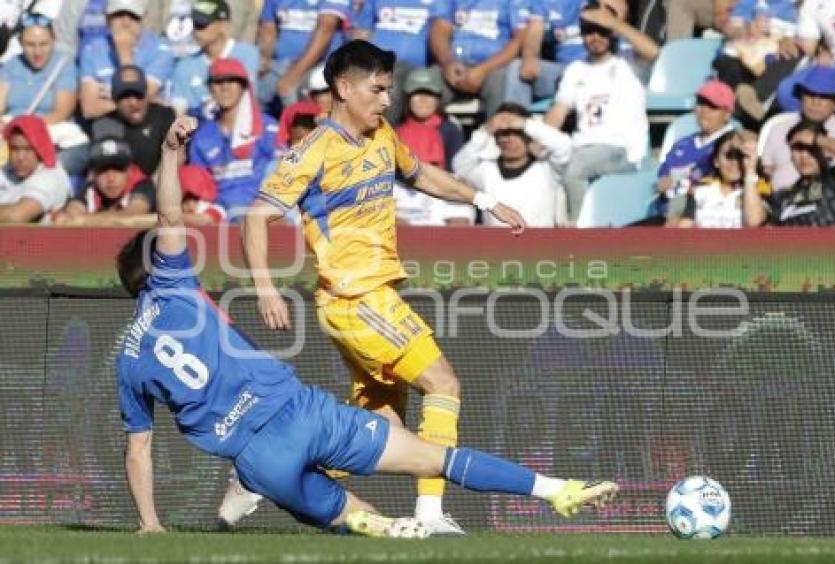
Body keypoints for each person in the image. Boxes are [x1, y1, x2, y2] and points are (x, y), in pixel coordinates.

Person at [116, 115, 617, 536]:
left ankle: (362, 518)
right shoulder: (176, 284)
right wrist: (169, 153)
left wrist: (151, 525)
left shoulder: (128, 361)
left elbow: (138, 451)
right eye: (377, 88)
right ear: (157, 263)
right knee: (437, 427)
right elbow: (169, 215)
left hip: (257, 460)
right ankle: (543, 492)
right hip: (304, 410)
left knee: (366, 521)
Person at [241, 40, 526, 534]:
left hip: (375, 297)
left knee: (382, 432)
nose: (385, 100)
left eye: (388, 89)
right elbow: (256, 218)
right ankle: (431, 513)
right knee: (443, 384)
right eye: (377, 89)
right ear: (343, 87)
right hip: (357, 300)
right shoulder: (312, 152)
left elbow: (420, 175)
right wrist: (266, 288)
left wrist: (484, 199)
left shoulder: (380, 135)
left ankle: (263, 473)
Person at [543, 1, 649, 222]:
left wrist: (614, 22)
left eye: (602, 31)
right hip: (581, 148)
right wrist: (535, 144)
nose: (595, 37)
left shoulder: (630, 62)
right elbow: (558, 112)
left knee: (575, 168)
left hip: (622, 150)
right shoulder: (575, 70)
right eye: (588, 31)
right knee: (541, 168)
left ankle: (581, 230)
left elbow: (654, 52)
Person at [505, 0, 659, 108]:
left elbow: (620, 13)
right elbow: (534, 30)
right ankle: (513, 129)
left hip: (610, 68)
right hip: (567, 71)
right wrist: (530, 56)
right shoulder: (552, 3)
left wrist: (605, 14)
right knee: (516, 69)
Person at [452, 102, 571, 227]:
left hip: (538, 243)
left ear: (529, 136)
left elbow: (564, 146)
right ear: (496, 138)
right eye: (504, 133)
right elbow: (460, 164)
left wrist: (525, 124)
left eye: (517, 132)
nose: (509, 139)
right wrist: (485, 131)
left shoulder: (548, 170)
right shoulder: (486, 171)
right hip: (496, 244)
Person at [0, 11, 87, 178]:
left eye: (44, 44)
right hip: (12, 134)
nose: (37, 51)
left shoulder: (64, 66)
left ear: (53, 41)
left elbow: (62, 112)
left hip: (47, 132)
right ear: (20, 44)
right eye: (30, 45)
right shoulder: (10, 66)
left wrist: (24, 130)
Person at [188, 58, 277, 217]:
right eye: (218, 82)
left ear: (243, 86)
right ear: (209, 88)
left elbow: (283, 172)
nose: (225, 88)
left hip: (264, 209)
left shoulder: (268, 127)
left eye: (231, 81)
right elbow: (201, 184)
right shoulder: (202, 136)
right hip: (220, 212)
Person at [394, 66, 472, 226]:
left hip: (438, 185)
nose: (423, 99)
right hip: (402, 185)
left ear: (438, 99)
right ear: (407, 98)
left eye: (429, 94)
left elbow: (455, 172)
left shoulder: (450, 129)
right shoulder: (394, 130)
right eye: (417, 94)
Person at [429, 0, 529, 118]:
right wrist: (448, 63)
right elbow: (439, 31)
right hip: (455, 63)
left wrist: (482, 70)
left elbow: (520, 40)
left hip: (494, 66)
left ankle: (496, 133)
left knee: (502, 82)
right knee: (426, 85)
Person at [78, 0, 175, 121]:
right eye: (118, 15)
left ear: (143, 19)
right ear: (107, 19)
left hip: (147, 125)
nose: (125, 23)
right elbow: (90, 109)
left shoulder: (161, 51)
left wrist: (124, 56)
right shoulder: (92, 50)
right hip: (105, 125)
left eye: (133, 16)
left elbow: (137, 104)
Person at [350, 0, 443, 124]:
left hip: (420, 68)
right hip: (378, 64)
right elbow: (361, 32)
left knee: (391, 86)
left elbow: (442, 33)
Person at [760, 66, 835, 193]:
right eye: (810, 94)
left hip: (829, 206)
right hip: (781, 205)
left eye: (824, 97)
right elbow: (764, 174)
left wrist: (818, 140)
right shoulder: (778, 129)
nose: (816, 102)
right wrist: (764, 196)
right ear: (801, 97)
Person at [746, 120, 835, 226]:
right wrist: (750, 169)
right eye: (798, 148)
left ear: (824, 151)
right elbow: (755, 223)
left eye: (811, 148)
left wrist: (817, 139)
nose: (804, 155)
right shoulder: (784, 196)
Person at [656, 80, 736, 217]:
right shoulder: (682, 144)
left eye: (712, 106)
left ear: (727, 113)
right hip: (666, 213)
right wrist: (663, 182)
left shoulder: (732, 145)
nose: (704, 111)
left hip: (707, 215)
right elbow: (663, 175)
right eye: (700, 103)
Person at [168, 0, 260, 118]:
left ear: (224, 25)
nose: (196, 31)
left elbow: (248, 101)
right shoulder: (185, 66)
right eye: (194, 24)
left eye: (202, 25)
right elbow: (179, 113)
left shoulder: (247, 55)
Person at [257, 0, 351, 110]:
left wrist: (293, 76)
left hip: (321, 65)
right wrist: (264, 62)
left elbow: (326, 29)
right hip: (280, 63)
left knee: (293, 97)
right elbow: (268, 28)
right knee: (257, 93)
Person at [673, 129, 768, 228]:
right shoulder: (699, 191)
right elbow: (683, 227)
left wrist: (750, 170)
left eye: (741, 156)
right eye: (729, 155)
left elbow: (754, 222)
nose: (735, 163)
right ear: (716, 161)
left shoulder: (759, 189)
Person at [93, 65, 177, 176]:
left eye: (138, 94)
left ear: (146, 93)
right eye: (125, 96)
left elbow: (177, 155)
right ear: (114, 98)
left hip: (162, 182)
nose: (133, 103)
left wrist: (154, 184)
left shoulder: (164, 116)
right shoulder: (104, 125)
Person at [52, 136, 156, 226]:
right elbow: (70, 216)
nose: (110, 178)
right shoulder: (91, 189)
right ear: (93, 174)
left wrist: (83, 221)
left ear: (129, 171)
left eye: (117, 169)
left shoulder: (143, 185)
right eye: (103, 170)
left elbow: (132, 215)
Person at [0, 114, 70, 223]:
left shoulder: (50, 175)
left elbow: (17, 215)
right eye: (15, 149)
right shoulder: (7, 169)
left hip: (39, 238)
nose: (20, 157)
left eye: (28, 150)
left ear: (40, 149)